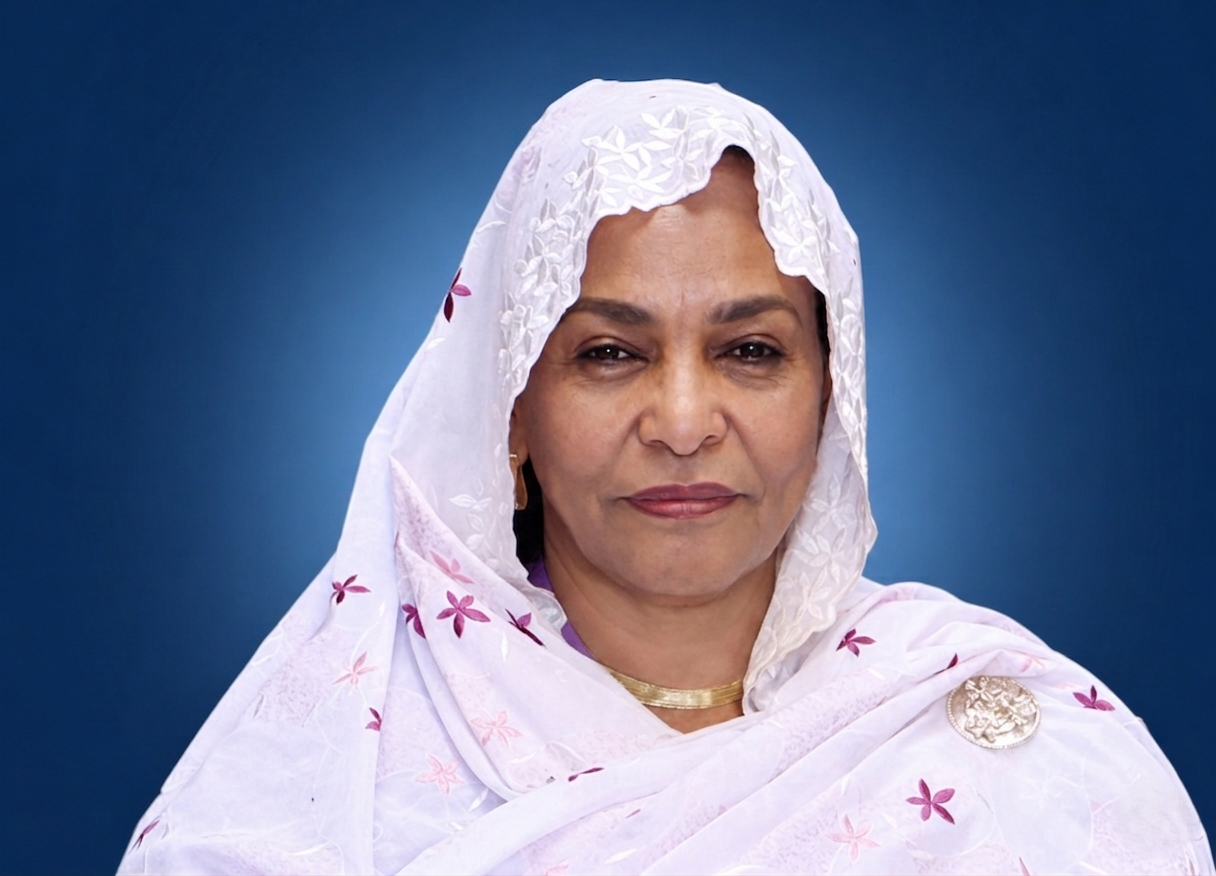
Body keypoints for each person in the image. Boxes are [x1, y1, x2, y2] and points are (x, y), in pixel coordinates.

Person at [118, 79, 1211, 875]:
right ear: (509, 408)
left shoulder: (1002, 740)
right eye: (609, 353)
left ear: (833, 398)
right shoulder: (326, 769)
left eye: (750, 351)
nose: (684, 423)